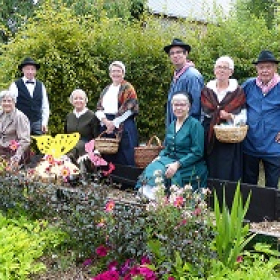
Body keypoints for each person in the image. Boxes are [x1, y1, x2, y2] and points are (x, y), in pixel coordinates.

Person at [136, 91, 207, 192]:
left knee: (164, 173)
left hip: (190, 165)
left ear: (189, 106)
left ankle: (165, 200)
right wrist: (159, 157)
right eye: (175, 104)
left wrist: (177, 164)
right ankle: (149, 197)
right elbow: (168, 148)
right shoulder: (172, 125)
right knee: (152, 168)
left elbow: (197, 153)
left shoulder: (195, 125)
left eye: (182, 104)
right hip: (170, 160)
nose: (178, 108)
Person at [201, 56, 246, 182]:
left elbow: (243, 117)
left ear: (231, 72)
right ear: (214, 70)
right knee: (211, 167)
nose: (222, 70)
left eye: (225, 68)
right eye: (219, 67)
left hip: (230, 136)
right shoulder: (206, 91)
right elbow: (203, 113)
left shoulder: (238, 92)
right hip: (210, 135)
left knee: (228, 170)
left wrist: (230, 116)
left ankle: (228, 197)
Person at [242, 50, 280, 189]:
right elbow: (236, 103)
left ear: (275, 68)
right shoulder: (248, 85)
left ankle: (271, 211)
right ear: (256, 69)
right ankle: (250, 210)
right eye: (261, 67)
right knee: (249, 182)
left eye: (268, 67)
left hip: (274, 145)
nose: (265, 70)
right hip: (251, 142)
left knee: (272, 185)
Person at [95, 61, 139, 166]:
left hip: (123, 124)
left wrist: (114, 123)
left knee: (125, 155)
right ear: (110, 74)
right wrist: (105, 121)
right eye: (113, 71)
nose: (116, 74)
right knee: (107, 155)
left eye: (119, 71)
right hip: (106, 124)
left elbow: (130, 109)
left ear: (123, 73)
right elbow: (99, 108)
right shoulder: (106, 89)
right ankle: (109, 180)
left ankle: (126, 181)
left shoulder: (128, 88)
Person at [164, 38, 204, 130]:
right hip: (176, 128)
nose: (175, 55)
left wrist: (185, 131)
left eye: (178, 52)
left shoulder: (192, 76)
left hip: (186, 131)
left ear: (186, 54)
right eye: (172, 53)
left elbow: (195, 107)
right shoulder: (177, 75)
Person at [9, 57, 50, 135]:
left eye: (32, 69)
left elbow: (45, 105)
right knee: (22, 145)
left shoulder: (41, 85)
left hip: (37, 122)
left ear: (35, 71)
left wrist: (44, 122)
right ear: (23, 70)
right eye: (28, 69)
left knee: (40, 145)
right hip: (21, 122)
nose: (30, 72)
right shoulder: (15, 85)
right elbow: (11, 105)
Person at [65, 89, 99, 162]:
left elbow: (97, 136)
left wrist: (96, 151)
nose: (78, 101)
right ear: (72, 101)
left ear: (85, 100)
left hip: (86, 144)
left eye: (81, 98)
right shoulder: (69, 116)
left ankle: (67, 162)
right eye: (75, 98)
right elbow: (65, 134)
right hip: (70, 142)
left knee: (73, 149)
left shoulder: (92, 116)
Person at [0, 90, 31, 168]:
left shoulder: (19, 117)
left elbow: (25, 140)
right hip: (3, 147)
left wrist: (17, 157)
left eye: (9, 101)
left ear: (14, 102)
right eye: (4, 101)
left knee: (6, 168)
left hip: (17, 150)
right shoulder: (1, 114)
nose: (6, 103)